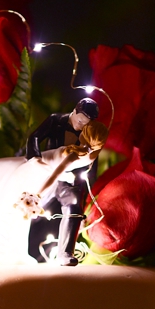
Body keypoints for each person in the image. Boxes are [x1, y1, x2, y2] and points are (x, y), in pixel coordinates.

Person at [0, 114, 106, 266]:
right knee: (9, 206)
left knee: (16, 215)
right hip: (34, 175)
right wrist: (38, 193)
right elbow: (56, 173)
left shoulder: (88, 154)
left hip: (39, 176)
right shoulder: (76, 154)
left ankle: (7, 253)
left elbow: (65, 174)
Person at [24, 98, 101, 265]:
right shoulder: (55, 121)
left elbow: (92, 166)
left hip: (72, 181)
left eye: (85, 124)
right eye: (80, 121)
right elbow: (35, 137)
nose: (81, 126)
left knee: (73, 209)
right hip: (48, 170)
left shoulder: (89, 141)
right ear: (74, 112)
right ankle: (20, 245)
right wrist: (35, 159)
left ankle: (65, 253)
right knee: (33, 209)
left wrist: (87, 186)